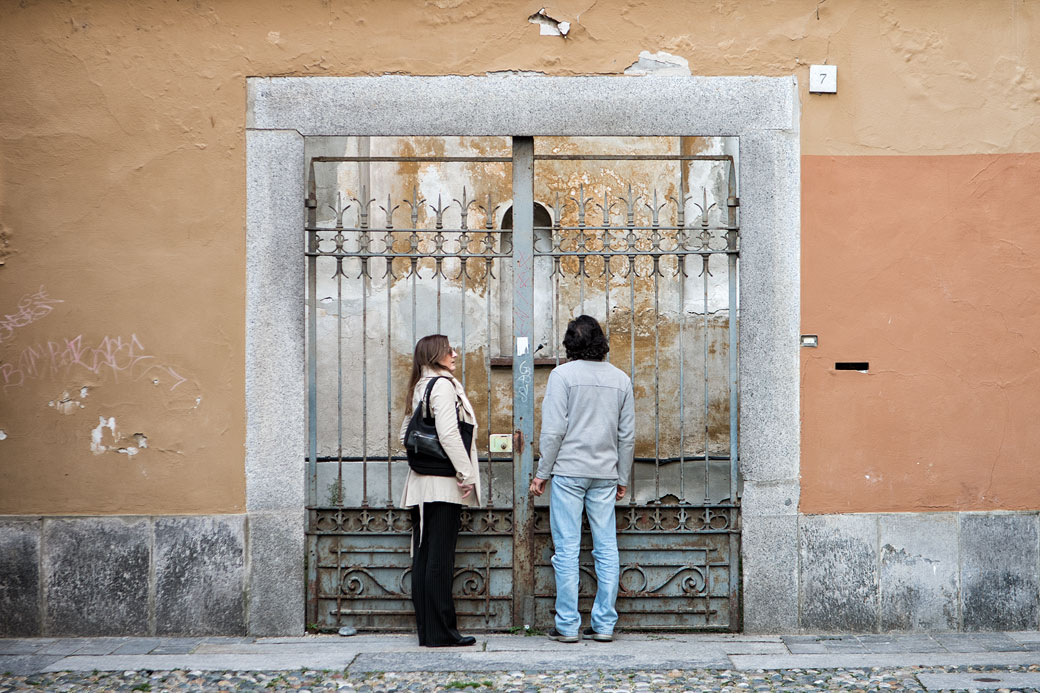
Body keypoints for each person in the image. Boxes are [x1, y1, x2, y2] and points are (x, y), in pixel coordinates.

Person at [530, 315, 635, 643]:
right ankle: (604, 624)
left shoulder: (562, 376)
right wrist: (623, 477)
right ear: (601, 342)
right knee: (606, 547)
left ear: (569, 345)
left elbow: (553, 430)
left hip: (569, 471)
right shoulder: (621, 380)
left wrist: (541, 474)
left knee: (567, 549)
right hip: (605, 473)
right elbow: (627, 435)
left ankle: (567, 625)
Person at [398, 334, 482, 647]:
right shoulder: (443, 385)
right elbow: (448, 433)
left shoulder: (420, 385)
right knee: (439, 558)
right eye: (449, 350)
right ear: (435, 354)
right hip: (444, 484)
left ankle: (430, 630)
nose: (455, 354)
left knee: (425, 555)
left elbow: (403, 436)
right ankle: (442, 632)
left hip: (422, 483)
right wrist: (466, 473)